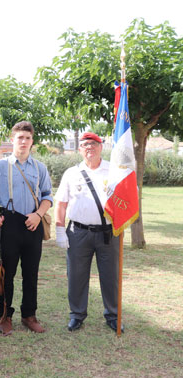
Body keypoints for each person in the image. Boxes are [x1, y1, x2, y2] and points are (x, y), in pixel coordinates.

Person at [0, 121, 52, 335]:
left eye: (27, 138)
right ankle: (5, 315)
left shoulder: (40, 168)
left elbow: (48, 196)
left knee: (31, 273)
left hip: (33, 224)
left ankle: (29, 315)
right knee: (6, 274)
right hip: (9, 223)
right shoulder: (1, 166)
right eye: (20, 138)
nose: (23, 141)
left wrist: (38, 215)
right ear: (12, 140)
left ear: (32, 142)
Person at [54, 132, 122, 333]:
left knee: (110, 276)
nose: (89, 147)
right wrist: (59, 229)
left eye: (93, 143)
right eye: (85, 144)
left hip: (108, 233)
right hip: (78, 232)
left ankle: (113, 315)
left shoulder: (114, 171)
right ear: (79, 149)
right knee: (76, 275)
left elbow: (125, 200)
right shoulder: (71, 173)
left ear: (101, 146)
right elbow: (61, 204)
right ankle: (77, 315)